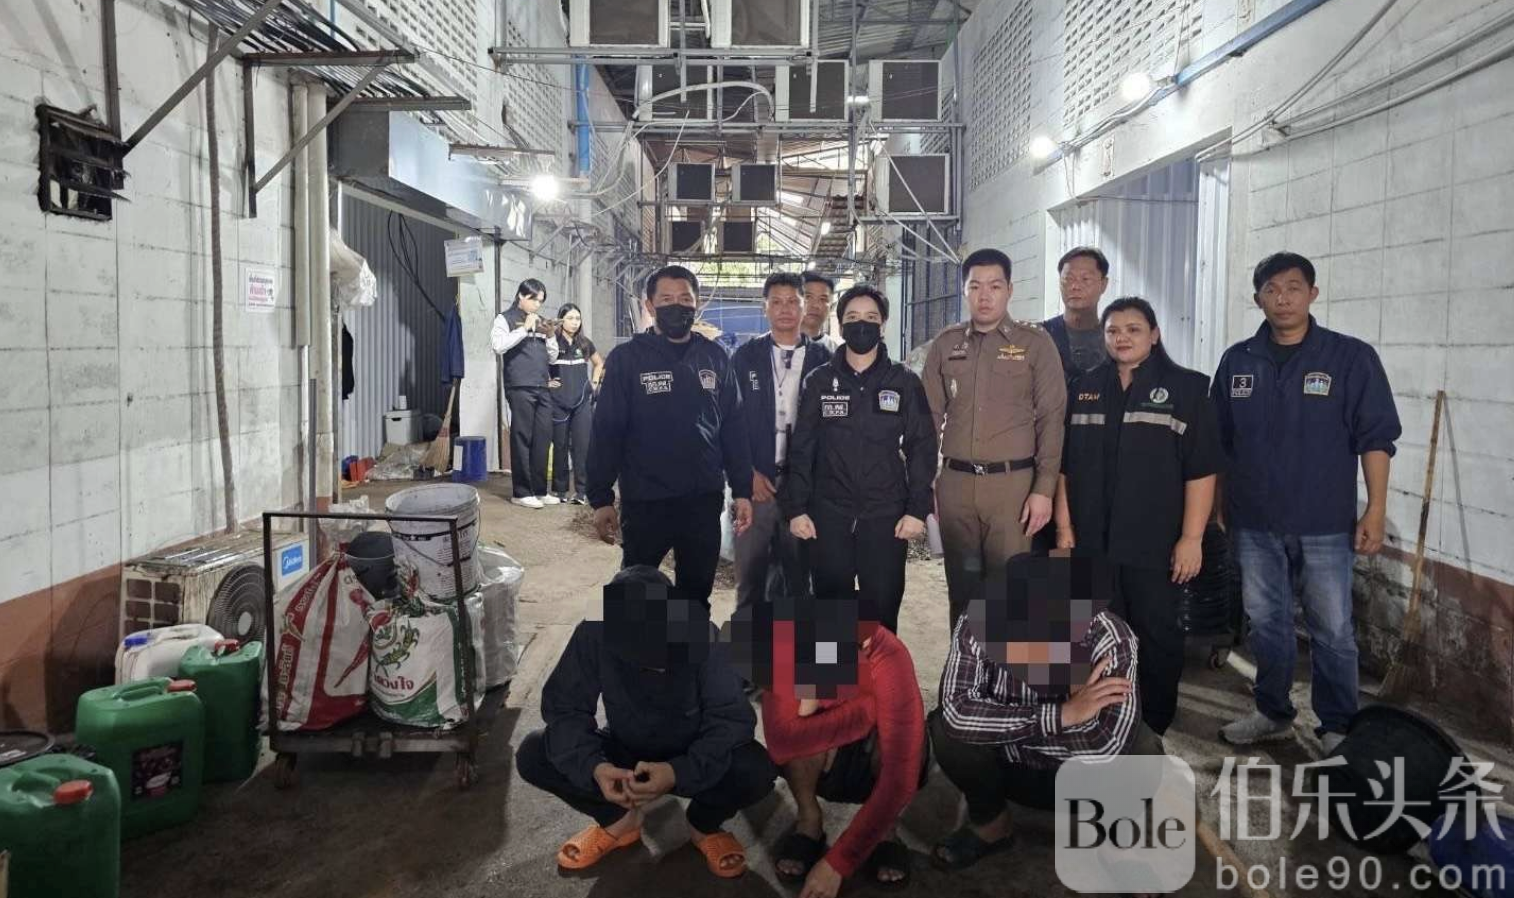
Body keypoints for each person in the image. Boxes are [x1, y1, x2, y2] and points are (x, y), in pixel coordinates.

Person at [1213, 252, 1400, 753]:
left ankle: (1337, 725)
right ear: (1257, 298)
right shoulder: (1237, 361)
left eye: (1293, 288)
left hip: (1324, 523)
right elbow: (1219, 443)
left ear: (1312, 294)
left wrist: (1375, 508)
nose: (1283, 299)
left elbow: (1376, 438)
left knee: (1332, 628)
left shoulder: (1349, 358)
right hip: (1254, 522)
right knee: (1266, 623)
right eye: (1271, 290)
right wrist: (1218, 504)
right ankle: (1272, 711)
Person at [514, 566, 776, 878]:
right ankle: (618, 820)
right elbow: (565, 708)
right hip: (625, 748)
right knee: (534, 752)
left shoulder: (706, 638)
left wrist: (678, 771)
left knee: (756, 770)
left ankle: (703, 825)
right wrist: (595, 767)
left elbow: (730, 720)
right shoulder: (594, 631)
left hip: (691, 751)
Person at [1053, 297, 1224, 736]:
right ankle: (1106, 715)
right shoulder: (1085, 388)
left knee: (1157, 633)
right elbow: (1065, 467)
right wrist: (1065, 528)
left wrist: (1192, 538)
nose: (1122, 338)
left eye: (1133, 329)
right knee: (1096, 632)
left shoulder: (1186, 390)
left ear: (1154, 334)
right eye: (1113, 331)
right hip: (1093, 541)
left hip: (1155, 542)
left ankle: (1152, 723)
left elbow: (1201, 471)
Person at [930, 553, 1146, 871]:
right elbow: (955, 711)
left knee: (1143, 750)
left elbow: (1109, 743)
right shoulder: (978, 621)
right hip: (1010, 769)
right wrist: (1063, 715)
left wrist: (1004, 727)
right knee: (944, 730)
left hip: (1082, 778)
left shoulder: (1111, 636)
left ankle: (1115, 837)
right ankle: (992, 824)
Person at [586, 265, 755, 608]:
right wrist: (601, 498)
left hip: (702, 500)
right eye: (666, 299)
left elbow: (734, 428)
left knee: (695, 596)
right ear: (650, 305)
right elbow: (607, 430)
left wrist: (742, 491)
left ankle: (689, 644)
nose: (677, 306)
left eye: (685, 299)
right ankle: (641, 645)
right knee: (637, 594)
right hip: (646, 500)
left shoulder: (714, 357)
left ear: (697, 304)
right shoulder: (627, 360)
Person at [922, 248, 1067, 628]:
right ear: (964, 291)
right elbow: (928, 420)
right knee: (962, 591)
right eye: (975, 287)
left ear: (1010, 290)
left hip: (1012, 489)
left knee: (1009, 592)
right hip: (955, 487)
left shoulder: (1035, 344)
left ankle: (1006, 667)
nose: (984, 296)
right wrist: (925, 483)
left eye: (994, 286)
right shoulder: (946, 344)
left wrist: (1044, 490)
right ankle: (963, 664)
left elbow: (1051, 419)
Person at [780, 285, 938, 633]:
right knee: (829, 616)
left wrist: (917, 510)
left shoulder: (903, 382)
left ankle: (879, 671)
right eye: (852, 317)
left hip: (885, 517)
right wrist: (797, 509)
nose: (861, 324)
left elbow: (922, 447)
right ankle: (832, 670)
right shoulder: (819, 381)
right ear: (841, 325)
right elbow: (802, 448)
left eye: (870, 317)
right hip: (829, 516)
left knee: (881, 615)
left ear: (882, 325)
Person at [758, 595, 926, 897]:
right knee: (795, 739)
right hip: (830, 750)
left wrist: (838, 863)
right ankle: (809, 821)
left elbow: (901, 777)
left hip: (872, 748)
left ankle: (886, 832)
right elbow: (782, 742)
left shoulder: (890, 657)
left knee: (905, 744)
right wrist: (864, 710)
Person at [730, 273, 833, 615]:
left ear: (805, 307)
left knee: (799, 580)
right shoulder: (745, 357)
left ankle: (795, 647)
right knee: (750, 581)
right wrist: (747, 475)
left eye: (793, 301)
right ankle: (747, 647)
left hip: (805, 490)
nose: (785, 309)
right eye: (776, 302)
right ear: (765, 308)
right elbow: (729, 422)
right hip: (757, 486)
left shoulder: (825, 359)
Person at [491, 278, 558, 508]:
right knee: (522, 437)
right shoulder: (504, 318)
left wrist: (550, 335)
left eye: (540, 301)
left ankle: (539, 490)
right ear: (521, 295)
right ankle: (521, 492)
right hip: (519, 386)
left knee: (543, 438)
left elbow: (552, 357)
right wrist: (524, 328)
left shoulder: (540, 321)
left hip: (542, 386)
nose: (537, 305)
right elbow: (498, 346)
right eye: (534, 300)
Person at [549, 303, 604, 505]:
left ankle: (582, 491)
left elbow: (599, 363)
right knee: (560, 447)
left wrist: (594, 382)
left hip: (581, 403)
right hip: (558, 402)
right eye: (570, 318)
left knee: (582, 448)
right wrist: (546, 382)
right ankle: (560, 491)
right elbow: (540, 364)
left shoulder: (585, 343)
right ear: (561, 320)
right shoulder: (552, 343)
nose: (574, 322)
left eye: (577, 319)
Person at [1043, 246, 1112, 384]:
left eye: (1085, 279)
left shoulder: (1116, 337)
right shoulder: (1041, 335)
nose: (1075, 286)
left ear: (1103, 284)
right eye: (1068, 279)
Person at [800, 270, 843, 352]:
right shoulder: (774, 345)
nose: (815, 305)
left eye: (823, 299)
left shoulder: (835, 352)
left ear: (831, 307)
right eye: (808, 297)